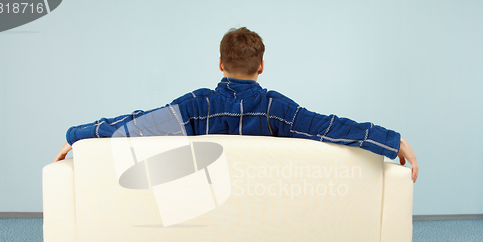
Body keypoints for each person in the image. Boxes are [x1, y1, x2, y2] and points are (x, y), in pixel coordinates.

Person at [54, 27, 418, 182]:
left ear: (220, 63)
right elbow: (329, 126)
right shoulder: (278, 108)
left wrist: (77, 135)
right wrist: (391, 140)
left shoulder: (197, 105)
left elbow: (136, 124)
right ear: (261, 66)